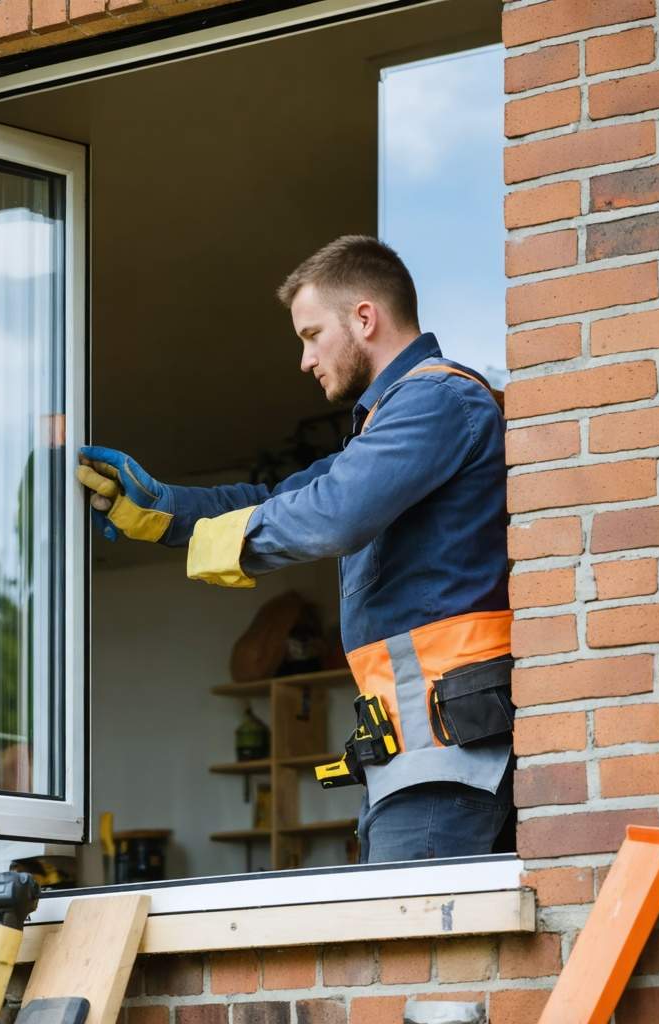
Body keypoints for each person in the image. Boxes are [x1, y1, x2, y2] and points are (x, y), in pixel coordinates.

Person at [77, 235, 512, 863]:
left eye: (311, 335)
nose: (305, 360)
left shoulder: (436, 399)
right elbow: (284, 496)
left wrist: (219, 543)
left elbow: (332, 514)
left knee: (416, 957)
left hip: (450, 764)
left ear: (364, 318)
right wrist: (163, 511)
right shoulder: (397, 421)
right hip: (428, 761)